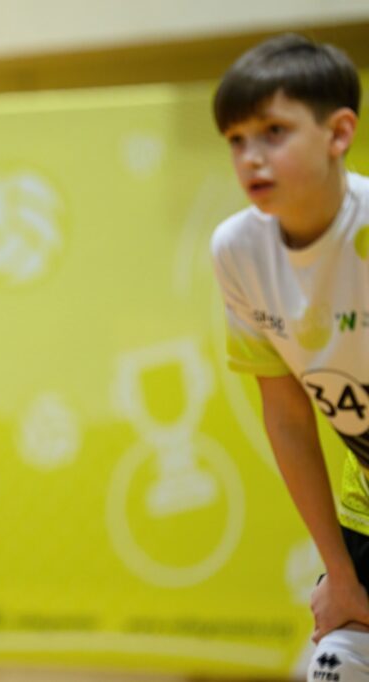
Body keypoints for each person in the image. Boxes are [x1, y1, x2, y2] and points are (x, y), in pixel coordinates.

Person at [208, 33, 369, 679]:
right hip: (364, 506)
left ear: (339, 133)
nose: (251, 156)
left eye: (274, 132)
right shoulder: (238, 250)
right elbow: (287, 415)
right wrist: (340, 571)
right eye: (236, 139)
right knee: (330, 667)